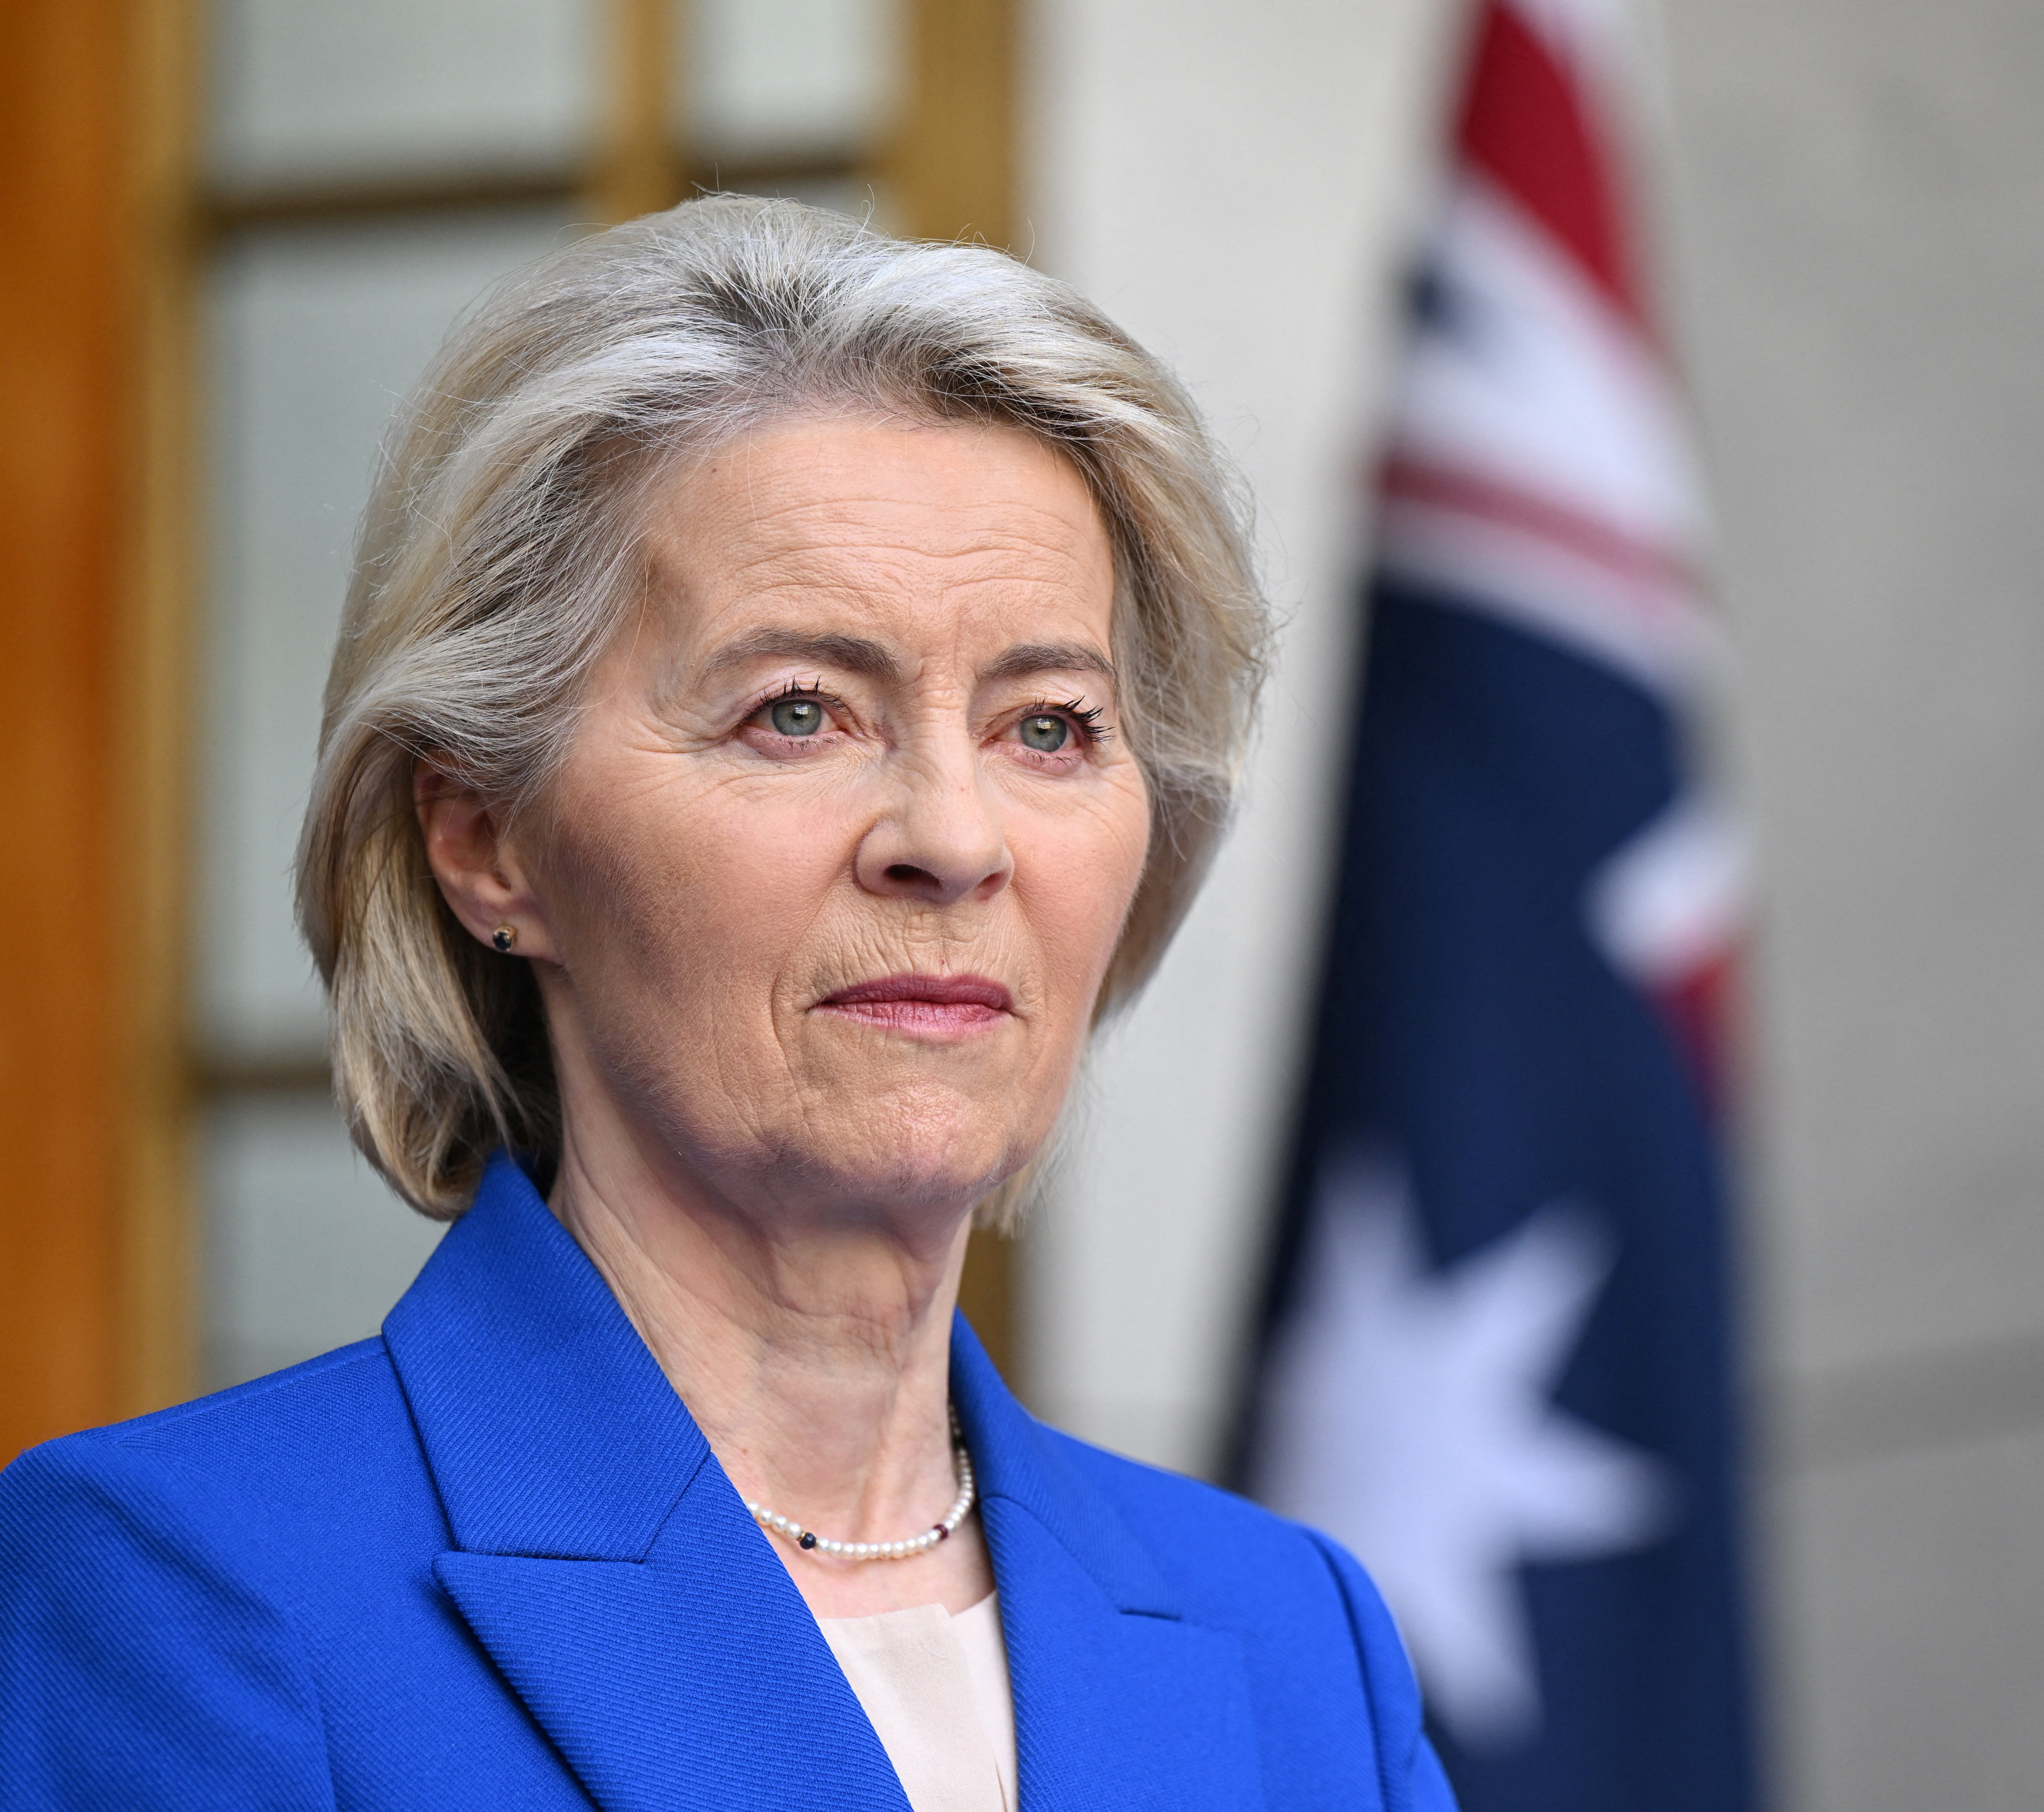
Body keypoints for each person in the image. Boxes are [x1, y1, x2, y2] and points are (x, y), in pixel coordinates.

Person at [0, 197, 1454, 1812]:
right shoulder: (191, 1589)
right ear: (484, 839)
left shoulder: (1295, 1636)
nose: (954, 839)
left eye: (1048, 726)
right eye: (798, 712)